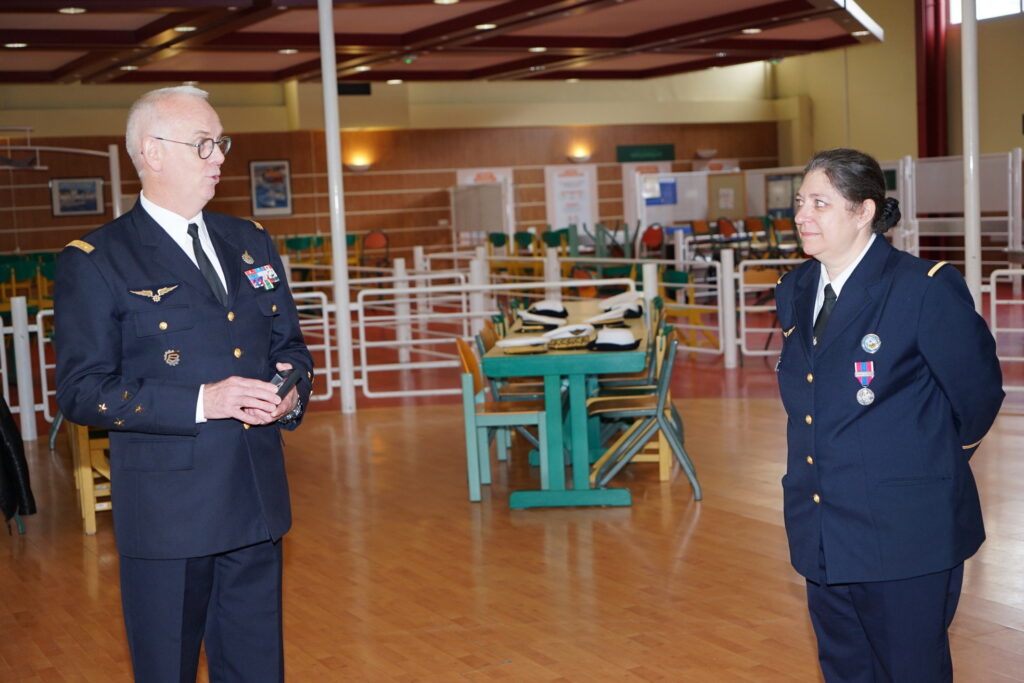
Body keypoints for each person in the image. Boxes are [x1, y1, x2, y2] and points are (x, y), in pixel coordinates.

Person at [55, 85, 313, 682]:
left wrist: (291, 392)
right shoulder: (97, 259)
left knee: (256, 670)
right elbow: (80, 389)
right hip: (170, 517)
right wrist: (203, 400)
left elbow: (289, 347)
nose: (219, 157)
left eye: (220, 142)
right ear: (153, 151)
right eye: (203, 144)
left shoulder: (249, 240)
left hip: (255, 500)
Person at [774, 148, 1004, 682]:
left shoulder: (921, 288)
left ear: (863, 211)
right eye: (800, 202)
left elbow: (978, 394)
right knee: (845, 668)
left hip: (906, 530)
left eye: (819, 203)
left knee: (911, 670)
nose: (802, 215)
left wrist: (921, 464)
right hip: (823, 523)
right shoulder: (796, 289)